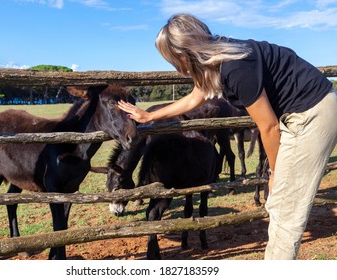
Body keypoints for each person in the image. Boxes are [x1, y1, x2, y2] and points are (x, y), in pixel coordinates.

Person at [118, 13, 337, 260]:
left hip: (312, 113)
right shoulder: (218, 57)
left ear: (184, 52)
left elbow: (268, 127)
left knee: (285, 207)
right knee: (279, 205)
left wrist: (274, 174)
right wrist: (149, 117)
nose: (176, 68)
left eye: (173, 60)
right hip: (299, 111)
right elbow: (194, 98)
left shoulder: (235, 66)